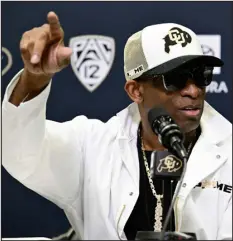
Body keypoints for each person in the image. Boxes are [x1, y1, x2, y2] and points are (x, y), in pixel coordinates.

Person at [2, 11, 232, 240]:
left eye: (201, 76)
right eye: (176, 79)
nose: (193, 91)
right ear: (136, 91)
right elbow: (19, 152)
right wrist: (34, 79)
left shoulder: (229, 151)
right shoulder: (93, 148)